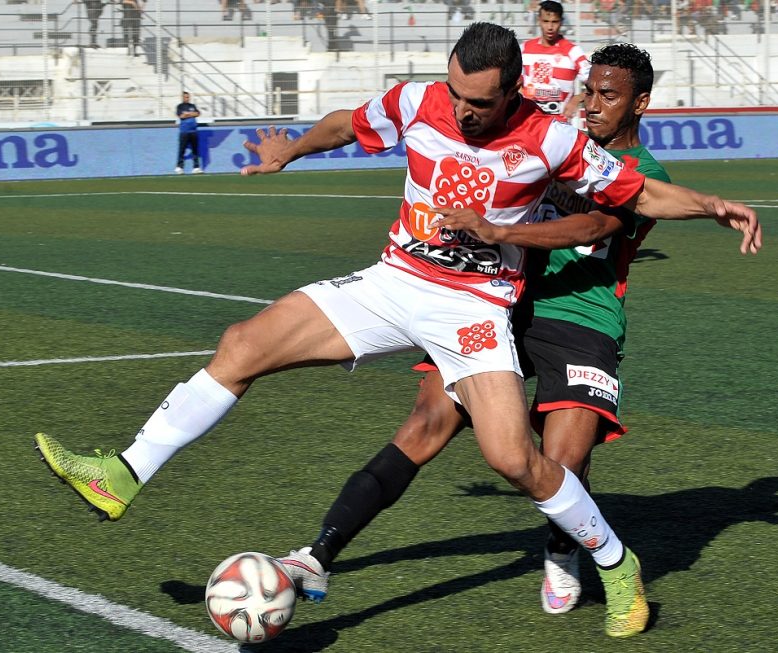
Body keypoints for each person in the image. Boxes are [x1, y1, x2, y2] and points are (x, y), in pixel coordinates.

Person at [34, 22, 761, 638]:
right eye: (456, 95)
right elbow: (349, 124)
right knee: (241, 346)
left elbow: (635, 194)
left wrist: (713, 203)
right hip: (393, 283)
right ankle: (122, 474)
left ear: (510, 91)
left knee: (512, 457)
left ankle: (614, 560)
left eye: (480, 103)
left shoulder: (551, 139)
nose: (464, 112)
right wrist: (290, 148)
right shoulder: (418, 101)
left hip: (473, 308)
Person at [272, 43, 682, 619]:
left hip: (582, 317)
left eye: (607, 96)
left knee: (561, 461)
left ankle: (564, 549)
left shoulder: (642, 175)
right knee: (424, 423)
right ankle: (319, 553)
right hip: (501, 305)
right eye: (587, 91)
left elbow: (588, 221)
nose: (590, 105)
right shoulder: (553, 141)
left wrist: (503, 212)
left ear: (640, 103)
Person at [521, 1, 590, 121]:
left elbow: (596, 84)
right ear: (539, 20)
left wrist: (576, 99)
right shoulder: (524, 49)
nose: (550, 27)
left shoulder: (573, 51)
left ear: (561, 22)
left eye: (555, 22)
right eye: (546, 21)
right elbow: (513, 82)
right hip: (529, 123)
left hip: (559, 124)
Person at [174, 91, 204, 174]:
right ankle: (179, 167)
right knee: (182, 150)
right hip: (184, 131)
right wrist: (191, 114)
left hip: (193, 131)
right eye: (186, 97)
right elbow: (181, 116)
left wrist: (188, 114)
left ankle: (196, 167)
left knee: (195, 150)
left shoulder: (192, 106)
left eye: (188, 97)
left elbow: (198, 113)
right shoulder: (180, 106)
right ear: (183, 97)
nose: (187, 98)